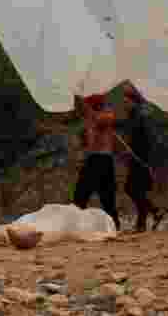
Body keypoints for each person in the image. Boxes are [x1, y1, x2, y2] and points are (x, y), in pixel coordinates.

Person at [114, 82, 168, 232]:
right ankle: (145, 220)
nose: (124, 103)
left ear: (133, 101)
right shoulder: (135, 114)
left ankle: (151, 215)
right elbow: (126, 126)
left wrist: (141, 157)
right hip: (137, 157)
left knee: (132, 188)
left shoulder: (141, 115)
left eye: (126, 101)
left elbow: (146, 138)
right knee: (137, 189)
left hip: (141, 159)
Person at [73, 93, 122, 232]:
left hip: (101, 159)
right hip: (95, 158)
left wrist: (84, 103)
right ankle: (77, 225)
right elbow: (87, 140)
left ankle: (114, 225)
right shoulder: (92, 116)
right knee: (82, 195)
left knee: (105, 196)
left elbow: (99, 120)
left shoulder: (106, 114)